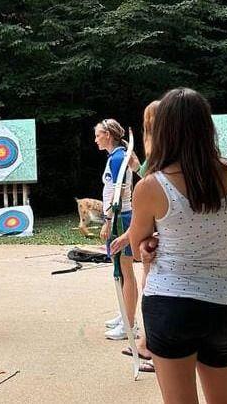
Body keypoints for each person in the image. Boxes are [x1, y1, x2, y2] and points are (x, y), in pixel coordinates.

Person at [123, 88, 227, 403]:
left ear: (163, 129)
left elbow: (137, 247)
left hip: (170, 304)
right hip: (221, 302)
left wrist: (149, 245)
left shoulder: (152, 185)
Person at [94, 119, 140, 341]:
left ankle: (129, 324)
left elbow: (119, 192)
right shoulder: (115, 156)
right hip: (118, 217)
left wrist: (108, 220)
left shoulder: (118, 157)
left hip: (121, 218)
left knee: (125, 270)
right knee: (120, 270)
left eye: (98, 135)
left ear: (108, 135)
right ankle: (125, 313)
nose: (96, 140)